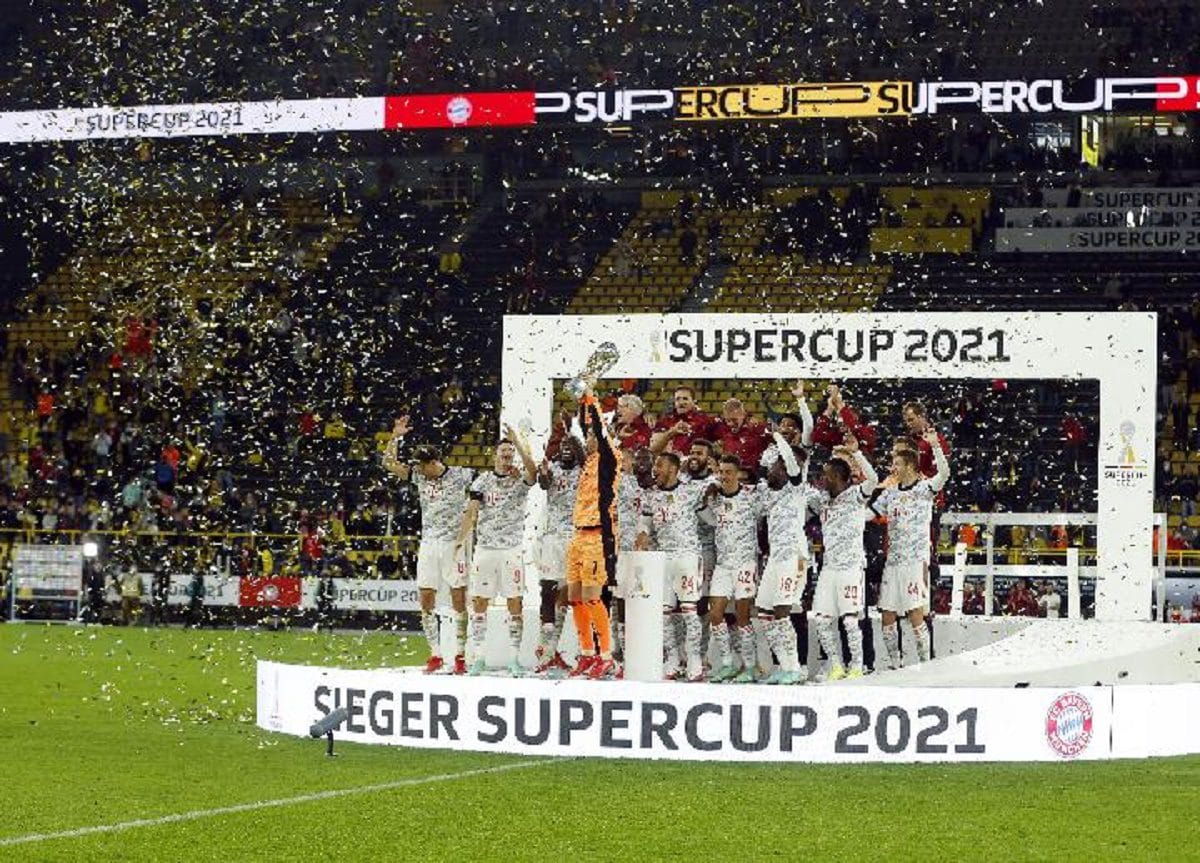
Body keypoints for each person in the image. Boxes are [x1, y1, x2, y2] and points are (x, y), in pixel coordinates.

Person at [383, 415, 474, 675]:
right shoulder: (419, 477)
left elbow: (490, 485)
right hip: (429, 543)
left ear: (434, 462)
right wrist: (395, 436)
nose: (419, 471)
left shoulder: (462, 475)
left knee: (459, 599)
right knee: (425, 599)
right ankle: (435, 654)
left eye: (422, 466)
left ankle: (460, 655)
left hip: (454, 545)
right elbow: (388, 463)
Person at [456, 427, 537, 676]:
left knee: (515, 601)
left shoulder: (520, 479)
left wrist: (518, 443)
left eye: (510, 452)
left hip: (511, 549)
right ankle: (479, 657)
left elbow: (533, 472)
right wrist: (460, 542)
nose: (506, 455)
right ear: (495, 455)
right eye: (503, 452)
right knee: (479, 601)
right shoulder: (482, 481)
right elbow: (471, 512)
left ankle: (514, 659)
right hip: (485, 549)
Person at [872, 428, 950, 670]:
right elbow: (870, 513)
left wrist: (935, 446)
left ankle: (925, 665)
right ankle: (895, 665)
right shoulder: (890, 493)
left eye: (897, 463)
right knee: (887, 614)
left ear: (910, 465)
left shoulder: (924, 489)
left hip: (915, 561)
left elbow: (944, 474)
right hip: (893, 561)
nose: (893, 468)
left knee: (916, 613)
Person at [811, 433, 879, 681]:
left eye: (827, 475)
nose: (822, 480)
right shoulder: (822, 501)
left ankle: (857, 666)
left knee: (850, 621)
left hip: (851, 567)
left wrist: (856, 453)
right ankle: (836, 666)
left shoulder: (855, 495)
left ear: (839, 476)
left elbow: (874, 479)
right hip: (829, 568)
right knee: (821, 620)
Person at [565, 386, 621, 679]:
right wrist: (579, 410)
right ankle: (587, 653)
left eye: (591, 437)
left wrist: (590, 398)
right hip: (578, 535)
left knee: (591, 596)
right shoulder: (588, 462)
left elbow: (598, 428)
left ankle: (606, 656)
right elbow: (582, 431)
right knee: (574, 597)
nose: (587, 440)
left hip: (598, 536)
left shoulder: (611, 460)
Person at [636, 451, 707, 680]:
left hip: (688, 556)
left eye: (660, 465)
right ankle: (673, 660)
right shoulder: (651, 495)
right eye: (655, 465)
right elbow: (645, 523)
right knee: (664, 613)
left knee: (689, 611)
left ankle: (694, 660)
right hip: (663, 558)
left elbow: (711, 517)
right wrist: (643, 533)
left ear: (674, 469)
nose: (655, 469)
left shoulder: (691, 491)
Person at [757, 431, 819, 684]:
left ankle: (794, 668)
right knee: (764, 611)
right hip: (775, 558)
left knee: (782, 610)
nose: (772, 471)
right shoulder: (771, 493)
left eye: (777, 466)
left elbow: (792, 465)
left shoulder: (797, 487)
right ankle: (784, 666)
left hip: (793, 556)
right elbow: (763, 471)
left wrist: (777, 436)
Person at [699, 453, 764, 683]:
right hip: (723, 565)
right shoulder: (715, 499)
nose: (724, 476)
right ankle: (727, 664)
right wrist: (705, 498)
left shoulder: (751, 496)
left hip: (745, 563)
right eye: (721, 472)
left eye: (728, 472)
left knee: (742, 616)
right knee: (715, 614)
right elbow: (706, 517)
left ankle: (750, 666)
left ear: (738, 474)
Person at [533, 424, 583, 674]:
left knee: (566, 594)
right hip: (552, 537)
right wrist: (543, 474)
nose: (566, 449)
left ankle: (551, 650)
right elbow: (543, 484)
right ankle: (543, 650)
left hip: (576, 537)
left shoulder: (584, 470)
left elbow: (585, 457)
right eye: (562, 446)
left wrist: (574, 437)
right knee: (548, 589)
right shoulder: (551, 468)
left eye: (570, 446)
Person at [613, 447, 656, 658]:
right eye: (621, 460)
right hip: (620, 549)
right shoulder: (617, 482)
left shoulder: (652, 487)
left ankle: (642, 649)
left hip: (647, 555)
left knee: (641, 598)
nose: (639, 464)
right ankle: (622, 649)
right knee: (619, 598)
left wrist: (644, 532)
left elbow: (648, 517)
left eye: (625, 460)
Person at [650, 386, 715, 455]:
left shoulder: (705, 421)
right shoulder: (665, 421)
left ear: (693, 401)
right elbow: (654, 449)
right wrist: (672, 432)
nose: (681, 402)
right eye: (677, 399)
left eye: (685, 399)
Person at [711, 398, 771, 467]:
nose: (730, 423)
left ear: (743, 415)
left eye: (734, 420)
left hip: (753, 471)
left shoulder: (757, 430)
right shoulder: (722, 429)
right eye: (727, 420)